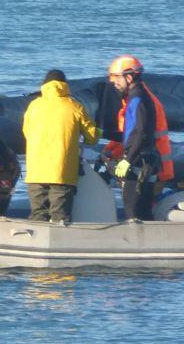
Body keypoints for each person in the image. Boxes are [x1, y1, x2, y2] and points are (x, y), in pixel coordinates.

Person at [21, 69, 99, 223]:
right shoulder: (74, 106)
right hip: (62, 172)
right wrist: (99, 130)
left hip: (36, 171)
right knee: (60, 218)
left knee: (38, 216)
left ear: (45, 85)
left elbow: (26, 132)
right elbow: (92, 138)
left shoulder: (33, 106)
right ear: (64, 85)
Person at [104, 55, 173, 221]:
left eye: (116, 77)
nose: (113, 82)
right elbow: (131, 133)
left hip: (139, 163)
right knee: (143, 211)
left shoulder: (138, 99)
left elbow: (141, 133)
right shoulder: (137, 97)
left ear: (129, 77)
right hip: (145, 161)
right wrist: (105, 138)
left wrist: (127, 160)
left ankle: (137, 236)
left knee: (133, 212)